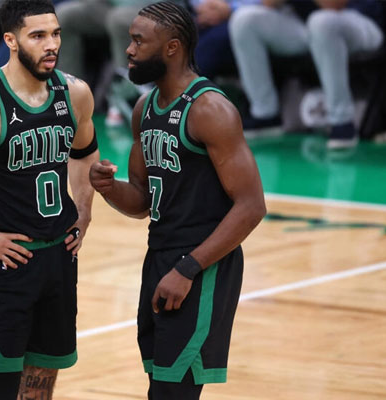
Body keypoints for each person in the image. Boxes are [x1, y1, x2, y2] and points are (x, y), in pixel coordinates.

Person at [89, 2, 265, 398]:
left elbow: (252, 207)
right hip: (160, 257)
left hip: (202, 265)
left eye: (138, 41)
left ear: (171, 48)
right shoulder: (143, 109)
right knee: (160, 384)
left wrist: (187, 269)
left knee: (173, 392)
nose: (129, 50)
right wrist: (109, 187)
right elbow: (141, 202)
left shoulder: (210, 110)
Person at [0, 1, 100, 398]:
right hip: (6, 265)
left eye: (55, 34)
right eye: (38, 36)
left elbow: (84, 154)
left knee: (41, 381)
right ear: (11, 41)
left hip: (58, 259)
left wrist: (84, 212)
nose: (51, 44)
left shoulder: (75, 93)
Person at [229, 0, 383, 148]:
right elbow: (268, 3)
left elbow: (334, 4)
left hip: (358, 20)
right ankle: (265, 114)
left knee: (321, 23)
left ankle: (342, 121)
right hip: (304, 25)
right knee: (244, 20)